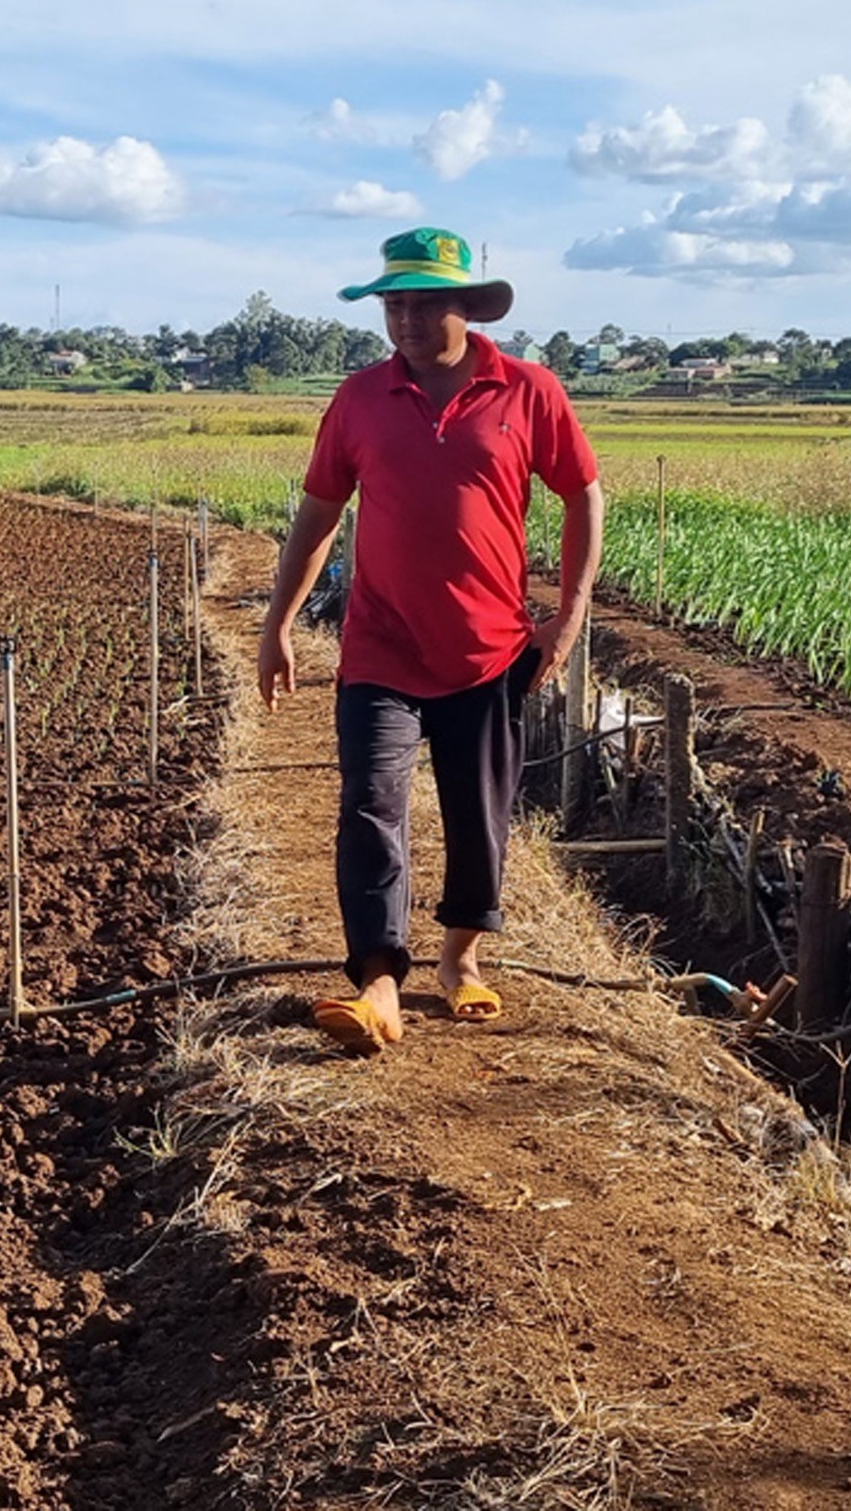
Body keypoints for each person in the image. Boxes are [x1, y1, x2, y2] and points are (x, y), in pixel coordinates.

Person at [257, 227, 603, 1055]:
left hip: (489, 651)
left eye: (423, 303)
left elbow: (584, 493)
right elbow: (318, 515)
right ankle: (379, 980)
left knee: (479, 815)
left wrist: (571, 612)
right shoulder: (358, 399)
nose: (406, 319)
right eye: (394, 303)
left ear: (467, 307)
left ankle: (460, 959)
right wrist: (275, 622)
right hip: (379, 648)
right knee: (371, 804)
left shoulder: (528, 391)